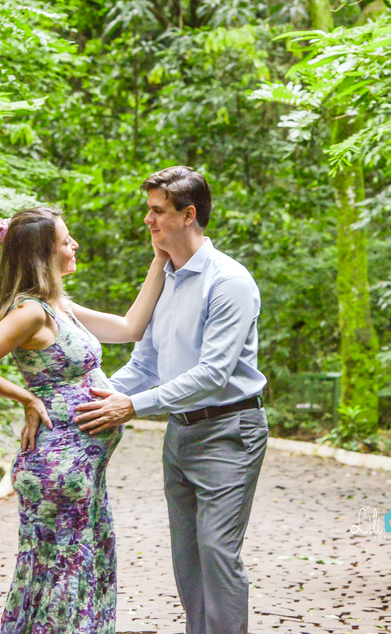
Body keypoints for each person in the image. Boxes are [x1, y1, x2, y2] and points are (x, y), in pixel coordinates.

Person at [0, 207, 168, 634]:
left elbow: (130, 327)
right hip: (57, 468)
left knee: (74, 569)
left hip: (83, 470)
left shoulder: (59, 306)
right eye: (65, 241)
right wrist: (27, 397)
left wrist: (160, 259)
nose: (74, 246)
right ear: (41, 255)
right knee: (60, 577)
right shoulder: (31, 313)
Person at [74, 167, 267, 634]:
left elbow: (213, 374)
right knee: (188, 557)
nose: (148, 220)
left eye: (157, 211)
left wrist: (133, 407)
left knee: (218, 555)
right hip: (180, 433)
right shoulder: (167, 279)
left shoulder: (229, 282)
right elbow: (145, 365)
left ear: (189, 215)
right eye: (149, 210)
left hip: (229, 432)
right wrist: (93, 398)